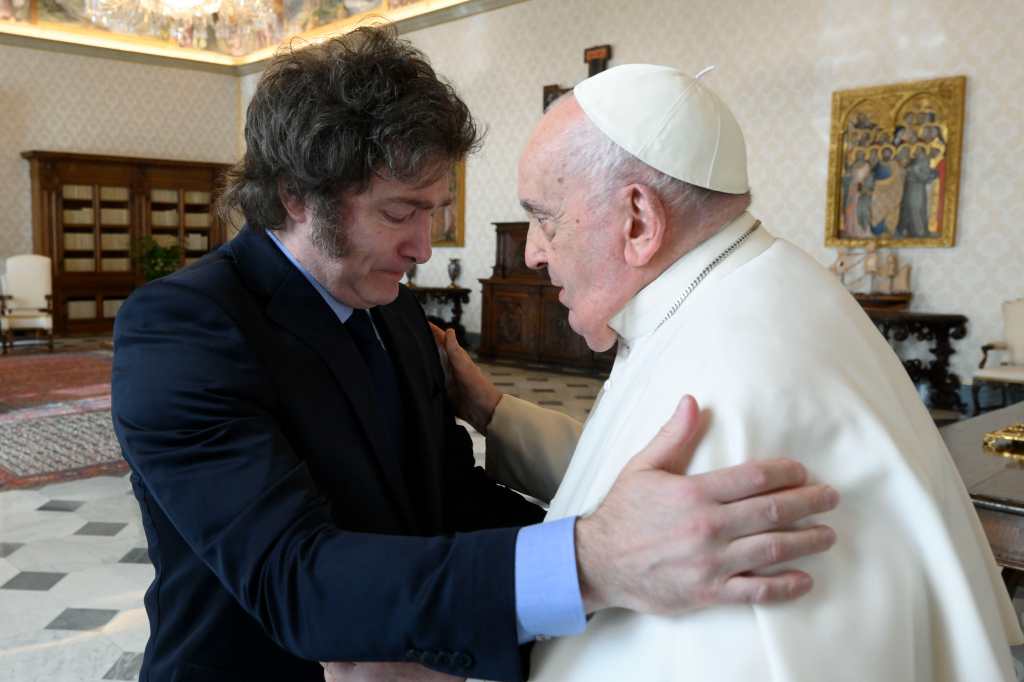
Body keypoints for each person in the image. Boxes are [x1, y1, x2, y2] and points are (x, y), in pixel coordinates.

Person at [110, 28, 840, 682]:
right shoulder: (183, 329)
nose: (424, 248)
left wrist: (631, 559)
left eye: (433, 213)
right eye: (401, 212)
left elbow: (451, 496)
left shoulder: (393, 308)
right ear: (298, 196)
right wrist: (588, 562)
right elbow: (294, 581)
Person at [433, 64, 1024, 681]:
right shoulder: (750, 285)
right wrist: (492, 412)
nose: (532, 250)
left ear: (638, 220)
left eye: (545, 218)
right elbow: (624, 484)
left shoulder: (737, 364)